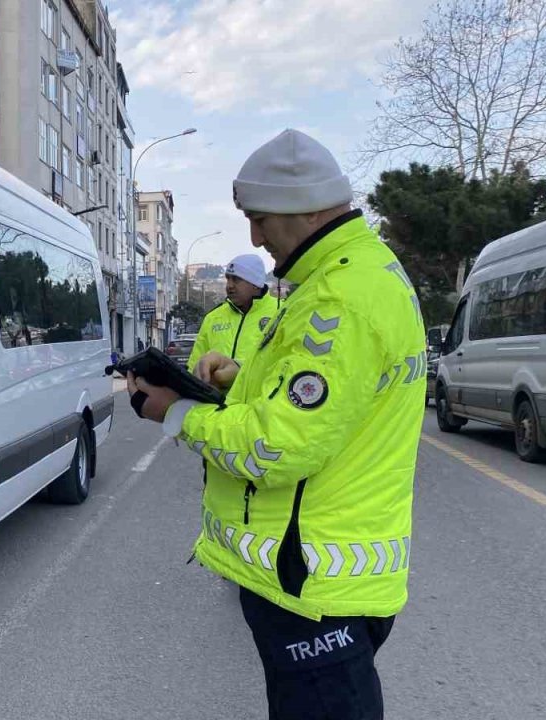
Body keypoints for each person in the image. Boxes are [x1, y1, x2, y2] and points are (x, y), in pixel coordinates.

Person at [128, 129, 425, 719]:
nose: (255, 238)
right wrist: (240, 378)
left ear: (309, 208)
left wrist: (177, 412)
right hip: (321, 578)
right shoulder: (350, 277)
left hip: (315, 587)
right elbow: (331, 401)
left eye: (261, 219)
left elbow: (274, 445)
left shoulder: (340, 298)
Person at [186, 253, 280, 374]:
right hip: (217, 393)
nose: (229, 285)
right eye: (228, 279)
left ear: (256, 284)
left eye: (236, 279)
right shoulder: (213, 318)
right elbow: (195, 366)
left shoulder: (281, 312)